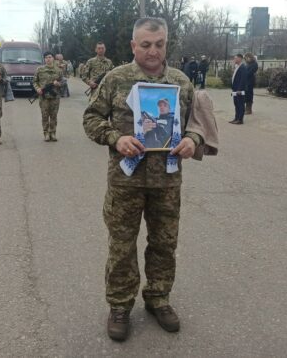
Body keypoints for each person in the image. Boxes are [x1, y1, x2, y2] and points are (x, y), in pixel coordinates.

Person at [83, 17, 202, 342]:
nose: (153, 51)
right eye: (146, 44)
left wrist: (192, 139)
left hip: (167, 182)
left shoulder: (180, 82)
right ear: (134, 45)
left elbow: (198, 122)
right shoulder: (116, 79)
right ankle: (120, 305)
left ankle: (158, 298)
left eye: (159, 44)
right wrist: (114, 139)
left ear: (166, 44)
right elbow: (91, 118)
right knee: (122, 247)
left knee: (164, 244)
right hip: (126, 182)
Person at [34, 52, 65, 141]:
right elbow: (35, 81)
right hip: (43, 97)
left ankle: (53, 133)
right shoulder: (39, 69)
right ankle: (46, 133)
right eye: (46, 57)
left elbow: (63, 82)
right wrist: (38, 89)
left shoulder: (58, 70)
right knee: (45, 116)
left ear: (53, 58)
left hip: (55, 97)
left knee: (54, 116)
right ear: (44, 59)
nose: (48, 59)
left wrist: (58, 83)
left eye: (50, 57)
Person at [230, 53, 247, 125]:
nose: (234, 59)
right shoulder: (237, 66)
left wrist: (240, 89)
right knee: (236, 103)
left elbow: (243, 79)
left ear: (240, 58)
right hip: (235, 88)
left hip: (239, 89)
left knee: (240, 104)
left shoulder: (243, 67)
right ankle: (236, 118)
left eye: (236, 58)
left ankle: (240, 119)